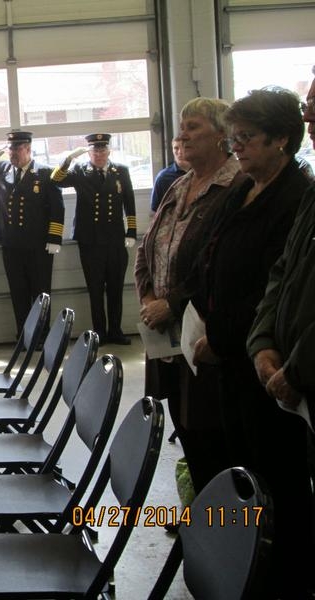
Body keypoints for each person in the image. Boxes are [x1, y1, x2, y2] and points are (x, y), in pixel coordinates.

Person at [190, 86, 311, 598]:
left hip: (263, 364)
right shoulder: (244, 186)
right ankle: (249, 567)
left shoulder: (295, 193)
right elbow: (210, 253)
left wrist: (239, 341)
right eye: (234, 137)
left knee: (278, 476)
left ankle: (286, 577)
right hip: (233, 357)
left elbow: (273, 279)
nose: (236, 147)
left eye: (247, 138)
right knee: (241, 466)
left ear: (282, 140)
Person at [135, 97, 245, 493]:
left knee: (216, 445)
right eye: (182, 126)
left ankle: (228, 536)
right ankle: (206, 528)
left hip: (205, 339)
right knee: (190, 438)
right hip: (168, 340)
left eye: (193, 126)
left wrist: (174, 302)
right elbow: (147, 247)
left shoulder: (236, 187)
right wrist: (148, 297)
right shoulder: (179, 185)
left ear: (222, 135)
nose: (182, 135)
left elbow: (220, 265)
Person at [247, 67, 315, 593]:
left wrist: (295, 367)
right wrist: (262, 343)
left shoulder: (299, 188)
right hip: (284, 370)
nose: (309, 114)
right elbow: (281, 273)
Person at [0, 131, 64, 337]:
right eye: (10, 149)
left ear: (28, 149)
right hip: (11, 243)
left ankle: (42, 335)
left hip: (38, 245)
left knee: (41, 292)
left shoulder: (45, 173)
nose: (13, 153)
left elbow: (57, 207)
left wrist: (54, 237)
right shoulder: (2, 169)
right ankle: (23, 335)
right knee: (18, 292)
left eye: (17, 149)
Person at [51, 133, 136, 345]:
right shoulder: (80, 171)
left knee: (115, 288)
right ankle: (100, 332)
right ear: (89, 152)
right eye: (95, 151)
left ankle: (115, 330)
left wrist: (131, 231)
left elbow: (129, 202)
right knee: (96, 289)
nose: (99, 154)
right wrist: (68, 159)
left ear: (109, 151)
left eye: (102, 150)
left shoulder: (121, 171)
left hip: (115, 239)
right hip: (90, 240)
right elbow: (56, 179)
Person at [149, 137, 190, 214]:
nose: (180, 152)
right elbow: (156, 207)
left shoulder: (202, 173)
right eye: (176, 148)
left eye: (184, 147)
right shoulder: (163, 177)